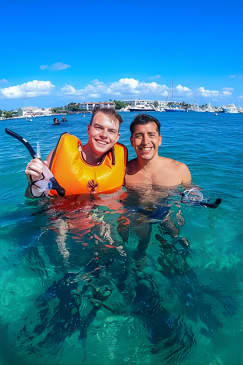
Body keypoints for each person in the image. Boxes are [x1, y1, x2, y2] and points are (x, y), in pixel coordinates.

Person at [25, 107, 127, 198]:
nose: (104, 135)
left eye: (111, 131)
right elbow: (34, 199)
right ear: (88, 129)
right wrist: (34, 182)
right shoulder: (59, 156)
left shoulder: (121, 163)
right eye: (98, 127)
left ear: (117, 137)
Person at [126, 113, 191, 192]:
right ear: (132, 141)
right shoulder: (123, 172)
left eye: (151, 135)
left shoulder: (180, 170)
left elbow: (193, 196)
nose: (145, 142)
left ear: (159, 140)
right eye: (139, 136)